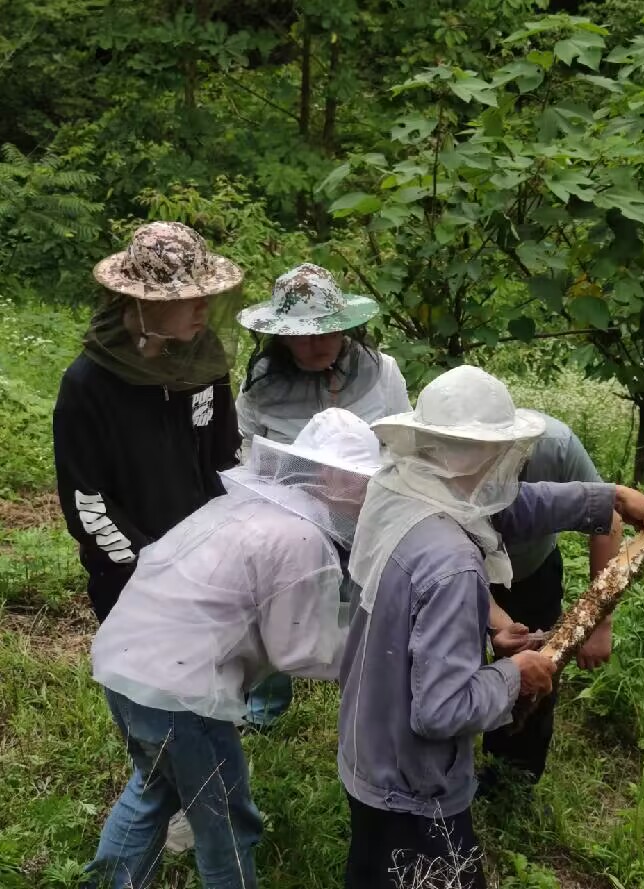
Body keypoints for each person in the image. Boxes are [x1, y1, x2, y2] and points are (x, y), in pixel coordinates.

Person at [337, 365, 644, 889]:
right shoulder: (455, 564)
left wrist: (605, 498)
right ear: (491, 454)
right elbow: (441, 710)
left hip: (369, 745)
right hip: (416, 784)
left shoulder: (396, 489)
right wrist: (516, 673)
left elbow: (503, 508)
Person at [86, 407, 382, 889]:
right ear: (330, 474)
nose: (369, 492)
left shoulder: (242, 510)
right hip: (182, 694)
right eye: (363, 479)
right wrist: (378, 651)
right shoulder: (301, 536)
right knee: (226, 820)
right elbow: (298, 650)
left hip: (124, 667)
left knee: (153, 791)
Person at [53, 221, 244, 852]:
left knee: (213, 690)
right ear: (141, 303)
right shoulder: (87, 386)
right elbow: (88, 503)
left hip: (207, 562)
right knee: (151, 707)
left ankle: (191, 802)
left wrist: (234, 539)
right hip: (131, 576)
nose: (201, 309)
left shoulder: (205, 364)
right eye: (185, 298)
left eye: (204, 296)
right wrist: (149, 573)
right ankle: (156, 797)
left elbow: (224, 460)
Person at [235, 261, 411, 727]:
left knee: (368, 600)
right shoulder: (260, 387)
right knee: (275, 599)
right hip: (291, 513)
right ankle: (264, 705)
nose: (314, 345)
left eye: (325, 334)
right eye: (302, 335)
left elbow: (402, 439)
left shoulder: (383, 372)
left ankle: (364, 697)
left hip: (365, 508)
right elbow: (250, 452)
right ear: (281, 336)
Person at [481, 413, 621, 788]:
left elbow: (609, 517)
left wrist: (599, 620)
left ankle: (513, 774)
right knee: (454, 666)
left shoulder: (556, 445)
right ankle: (449, 769)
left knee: (538, 666)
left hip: (532, 570)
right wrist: (493, 620)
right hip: (462, 569)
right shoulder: (439, 453)